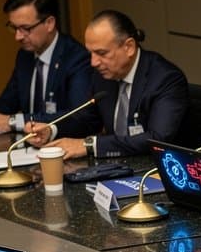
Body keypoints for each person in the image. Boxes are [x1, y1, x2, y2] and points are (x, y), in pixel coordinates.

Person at [41, 9, 188, 159]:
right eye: (90, 53)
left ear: (129, 47)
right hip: (117, 166)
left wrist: (90, 145)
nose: (93, 62)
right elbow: (87, 120)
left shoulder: (165, 79)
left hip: (156, 170)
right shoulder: (103, 76)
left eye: (102, 53)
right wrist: (52, 130)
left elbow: (156, 139)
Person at [0, 0, 92, 137]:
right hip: (29, 146)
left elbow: (77, 117)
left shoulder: (76, 58)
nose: (18, 37)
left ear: (49, 23)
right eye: (13, 28)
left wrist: (13, 121)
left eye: (25, 29)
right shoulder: (25, 56)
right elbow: (9, 100)